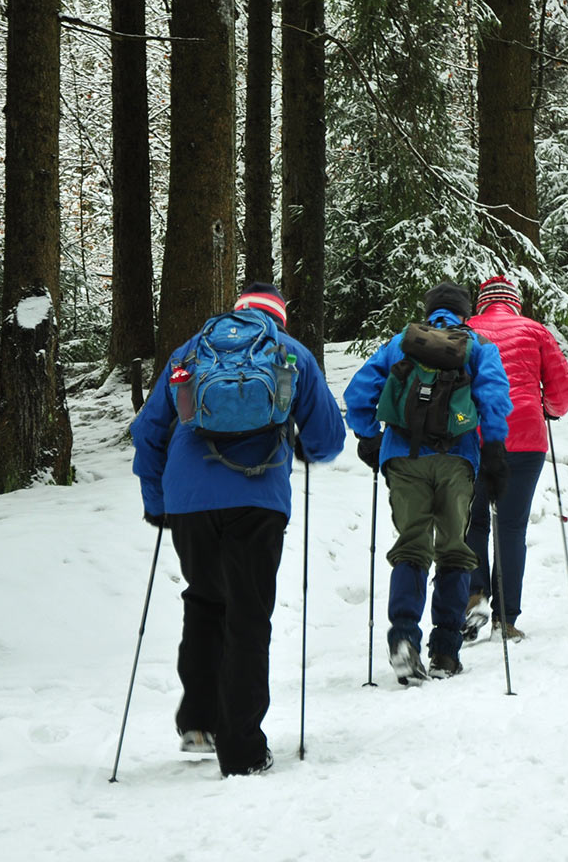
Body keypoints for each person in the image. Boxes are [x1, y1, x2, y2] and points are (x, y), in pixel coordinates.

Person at [131, 282, 346, 777]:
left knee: (205, 601)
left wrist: (157, 502)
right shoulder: (289, 353)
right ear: (278, 317)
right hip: (257, 500)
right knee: (248, 616)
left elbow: (148, 430)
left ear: (237, 312)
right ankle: (243, 750)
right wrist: (304, 445)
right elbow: (327, 439)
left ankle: (199, 723)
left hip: (189, 502)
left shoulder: (191, 350)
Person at [342, 281, 513, 683]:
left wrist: (369, 437)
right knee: (453, 550)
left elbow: (360, 390)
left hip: (403, 459)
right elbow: (494, 397)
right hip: (457, 459)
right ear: (464, 313)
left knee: (411, 545)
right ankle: (445, 653)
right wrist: (494, 449)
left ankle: (403, 638)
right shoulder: (477, 346)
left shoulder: (403, 341)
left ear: (430, 309)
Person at [463, 276, 568, 642]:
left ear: (481, 303)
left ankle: (475, 595)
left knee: (474, 522)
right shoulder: (535, 331)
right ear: (514, 303)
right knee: (511, 528)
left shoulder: (465, 331)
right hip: (526, 438)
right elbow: (563, 391)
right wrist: (549, 408)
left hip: (476, 437)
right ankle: (506, 618)